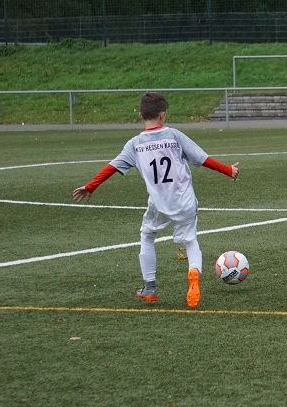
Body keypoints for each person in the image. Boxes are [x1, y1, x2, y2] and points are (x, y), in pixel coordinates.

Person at [72, 91, 239, 308]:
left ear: (141, 116)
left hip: (159, 203)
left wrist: (90, 186)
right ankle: (193, 272)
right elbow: (202, 159)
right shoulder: (174, 136)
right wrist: (228, 170)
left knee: (147, 236)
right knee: (190, 240)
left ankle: (150, 287)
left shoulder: (134, 144)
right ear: (162, 114)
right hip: (184, 200)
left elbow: (111, 167)